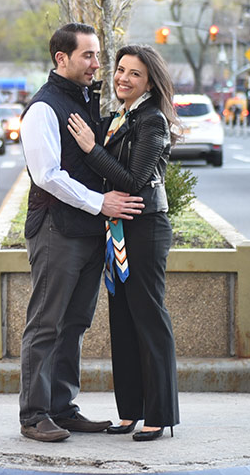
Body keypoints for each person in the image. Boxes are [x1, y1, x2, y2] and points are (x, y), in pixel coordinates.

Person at [18, 23, 144, 442]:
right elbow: (47, 175)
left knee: (74, 323)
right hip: (56, 229)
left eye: (97, 55)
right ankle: (35, 415)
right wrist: (100, 203)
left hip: (89, 231)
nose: (96, 64)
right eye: (88, 55)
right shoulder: (42, 108)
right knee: (46, 324)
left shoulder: (86, 100)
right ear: (62, 59)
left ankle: (62, 407)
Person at [67, 44, 181, 441]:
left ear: (149, 81)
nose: (122, 78)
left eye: (134, 73)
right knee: (123, 321)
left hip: (145, 227)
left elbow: (133, 181)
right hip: (117, 228)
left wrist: (90, 148)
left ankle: (160, 413)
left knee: (149, 318)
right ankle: (131, 410)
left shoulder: (151, 121)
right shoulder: (120, 117)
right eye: (119, 70)